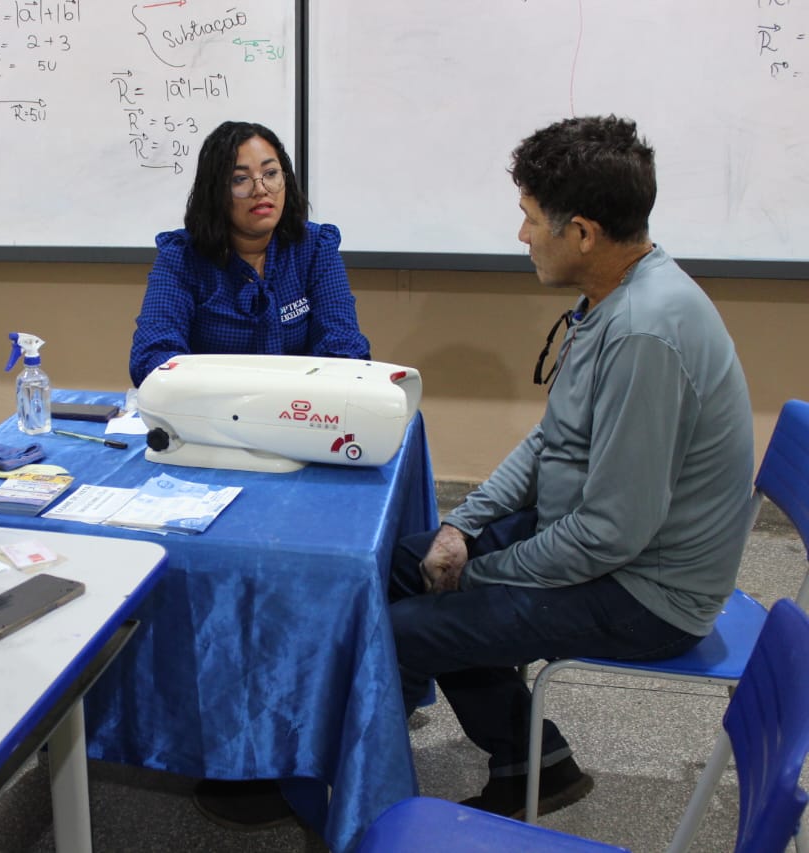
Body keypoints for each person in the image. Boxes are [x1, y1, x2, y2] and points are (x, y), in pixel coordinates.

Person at [389, 115, 754, 819]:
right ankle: (538, 763)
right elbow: (549, 441)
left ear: (582, 232)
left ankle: (368, 793)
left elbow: (614, 533)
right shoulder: (613, 296)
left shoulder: (648, 331)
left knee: (403, 628)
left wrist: (480, 573)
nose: (523, 235)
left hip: (648, 594)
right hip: (603, 542)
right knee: (400, 565)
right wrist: (463, 526)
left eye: (530, 219)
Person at [128, 120, 371, 386]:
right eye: (240, 179)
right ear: (215, 192)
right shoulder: (182, 257)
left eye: (271, 173)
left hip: (298, 412)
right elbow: (153, 356)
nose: (261, 189)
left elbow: (344, 347)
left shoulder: (314, 247)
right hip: (210, 413)